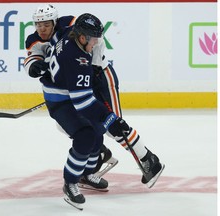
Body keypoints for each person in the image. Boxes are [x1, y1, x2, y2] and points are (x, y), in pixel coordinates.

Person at [38, 13, 164, 209]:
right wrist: (109, 119)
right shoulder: (77, 59)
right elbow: (83, 103)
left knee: (101, 129)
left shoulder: (72, 33)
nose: (97, 42)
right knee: (91, 132)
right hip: (64, 98)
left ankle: (89, 173)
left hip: (80, 84)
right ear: (82, 37)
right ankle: (72, 180)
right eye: (93, 38)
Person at [24, 4, 119, 179]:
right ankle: (95, 154)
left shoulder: (70, 24)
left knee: (106, 126)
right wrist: (34, 66)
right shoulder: (34, 39)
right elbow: (31, 59)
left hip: (89, 81)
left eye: (46, 24)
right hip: (66, 91)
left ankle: (95, 157)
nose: (42, 29)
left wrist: (94, 67)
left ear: (54, 21)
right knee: (70, 128)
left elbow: (97, 39)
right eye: (38, 25)